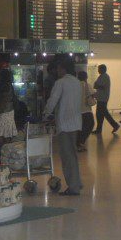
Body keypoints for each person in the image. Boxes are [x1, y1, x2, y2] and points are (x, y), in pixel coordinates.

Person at [43, 58, 83, 196]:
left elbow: (53, 100)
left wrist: (46, 113)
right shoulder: (77, 83)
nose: (58, 71)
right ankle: (77, 182)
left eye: (59, 68)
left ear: (63, 68)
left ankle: (73, 187)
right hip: (76, 123)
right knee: (73, 154)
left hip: (64, 124)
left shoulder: (60, 83)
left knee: (67, 157)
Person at [0, 69, 19, 144]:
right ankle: (7, 151)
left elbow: (1, 101)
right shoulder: (10, 86)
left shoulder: (2, 86)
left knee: (0, 133)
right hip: (10, 111)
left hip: (2, 112)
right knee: (7, 133)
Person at [93, 64, 120, 134]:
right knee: (101, 114)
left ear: (103, 69)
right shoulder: (101, 76)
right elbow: (95, 85)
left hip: (103, 98)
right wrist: (96, 86)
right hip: (100, 98)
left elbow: (100, 86)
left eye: (99, 69)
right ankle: (100, 129)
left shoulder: (105, 76)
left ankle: (115, 125)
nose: (98, 70)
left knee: (102, 114)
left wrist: (96, 86)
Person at [76, 71, 96, 152]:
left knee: (80, 128)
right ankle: (80, 143)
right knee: (90, 125)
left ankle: (79, 143)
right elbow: (93, 95)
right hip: (86, 110)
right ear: (86, 77)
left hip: (77, 110)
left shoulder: (75, 85)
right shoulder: (87, 85)